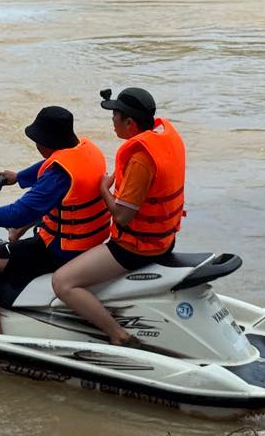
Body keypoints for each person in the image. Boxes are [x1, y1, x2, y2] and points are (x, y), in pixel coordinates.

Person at [0, 106, 110, 334]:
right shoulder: (86, 150)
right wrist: (18, 177)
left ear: (45, 142)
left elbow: (18, 213)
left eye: (37, 140)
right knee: (23, 229)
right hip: (89, 241)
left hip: (60, 250)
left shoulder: (58, 176)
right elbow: (54, 163)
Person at [50, 88, 186, 346]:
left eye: (114, 116)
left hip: (135, 248)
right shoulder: (164, 139)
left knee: (63, 282)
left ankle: (118, 335)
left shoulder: (140, 159)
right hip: (166, 239)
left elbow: (122, 217)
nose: (111, 122)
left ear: (129, 123)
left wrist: (104, 191)